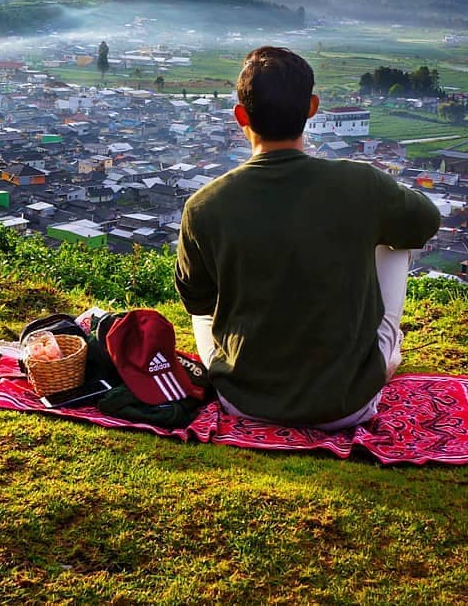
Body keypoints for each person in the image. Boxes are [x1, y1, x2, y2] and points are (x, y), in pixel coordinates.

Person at [174, 46, 441, 430]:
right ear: (312, 107)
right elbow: (425, 222)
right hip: (346, 404)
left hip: (243, 400)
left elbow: (198, 301)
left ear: (241, 116)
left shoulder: (204, 205)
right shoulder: (361, 183)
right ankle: (386, 348)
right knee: (400, 236)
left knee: (202, 316)